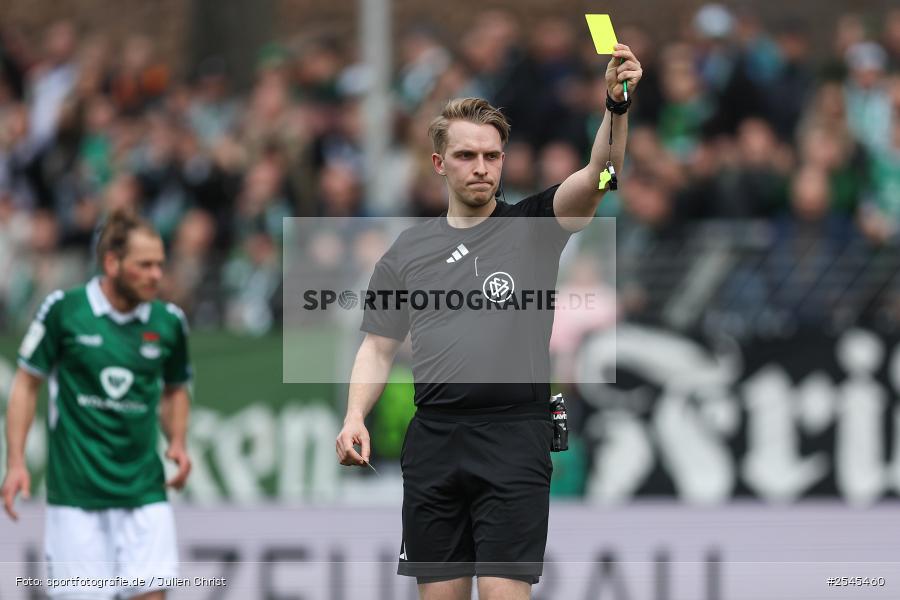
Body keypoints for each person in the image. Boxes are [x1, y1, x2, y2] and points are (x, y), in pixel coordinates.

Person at [335, 44, 642, 600]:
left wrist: (615, 106)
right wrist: (356, 414)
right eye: (466, 156)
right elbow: (378, 347)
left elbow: (602, 174)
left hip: (514, 438)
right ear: (439, 164)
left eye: (492, 156)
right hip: (434, 441)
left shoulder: (535, 226)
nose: (481, 167)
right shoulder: (407, 252)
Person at [2, 211, 193, 600]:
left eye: (160, 263)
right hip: (77, 496)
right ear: (112, 263)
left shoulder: (169, 321)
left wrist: (177, 440)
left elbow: (176, 388)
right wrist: (16, 462)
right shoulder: (64, 310)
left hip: (143, 490)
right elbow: (26, 383)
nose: (157, 274)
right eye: (145, 265)